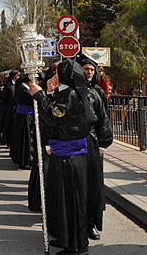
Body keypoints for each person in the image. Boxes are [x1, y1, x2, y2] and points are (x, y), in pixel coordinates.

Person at [29, 61, 98, 255]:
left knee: (73, 201)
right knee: (62, 199)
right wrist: (49, 94)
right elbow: (55, 114)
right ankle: (67, 238)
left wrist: (40, 95)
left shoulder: (71, 94)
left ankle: (77, 245)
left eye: (57, 73)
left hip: (71, 156)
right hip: (63, 154)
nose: (54, 76)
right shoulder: (66, 93)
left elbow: (54, 116)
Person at [77, 55, 113, 241]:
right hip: (75, 146)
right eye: (86, 69)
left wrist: (103, 144)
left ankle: (91, 225)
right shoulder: (73, 91)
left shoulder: (98, 92)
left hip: (93, 145)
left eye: (92, 70)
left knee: (93, 187)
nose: (89, 72)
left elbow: (104, 120)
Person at [10, 73, 33, 170]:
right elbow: (31, 99)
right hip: (23, 117)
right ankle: (23, 161)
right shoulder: (22, 89)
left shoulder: (24, 88)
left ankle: (27, 159)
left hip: (27, 116)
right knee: (24, 139)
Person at [0, 70, 19, 146]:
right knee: (9, 125)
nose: (18, 77)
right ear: (14, 76)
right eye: (17, 75)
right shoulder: (8, 85)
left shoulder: (18, 85)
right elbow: (4, 97)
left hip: (16, 108)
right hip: (9, 108)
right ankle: (8, 141)